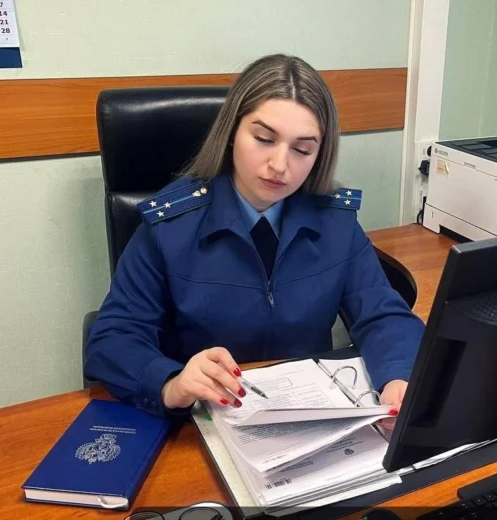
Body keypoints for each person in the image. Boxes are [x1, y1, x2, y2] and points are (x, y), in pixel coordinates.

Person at [84, 54, 424, 430]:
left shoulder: (335, 222)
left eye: (302, 149)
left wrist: (399, 378)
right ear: (232, 132)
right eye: (263, 139)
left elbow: (383, 315)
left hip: (310, 417)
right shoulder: (170, 225)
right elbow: (113, 338)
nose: (279, 165)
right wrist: (171, 383)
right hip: (203, 421)